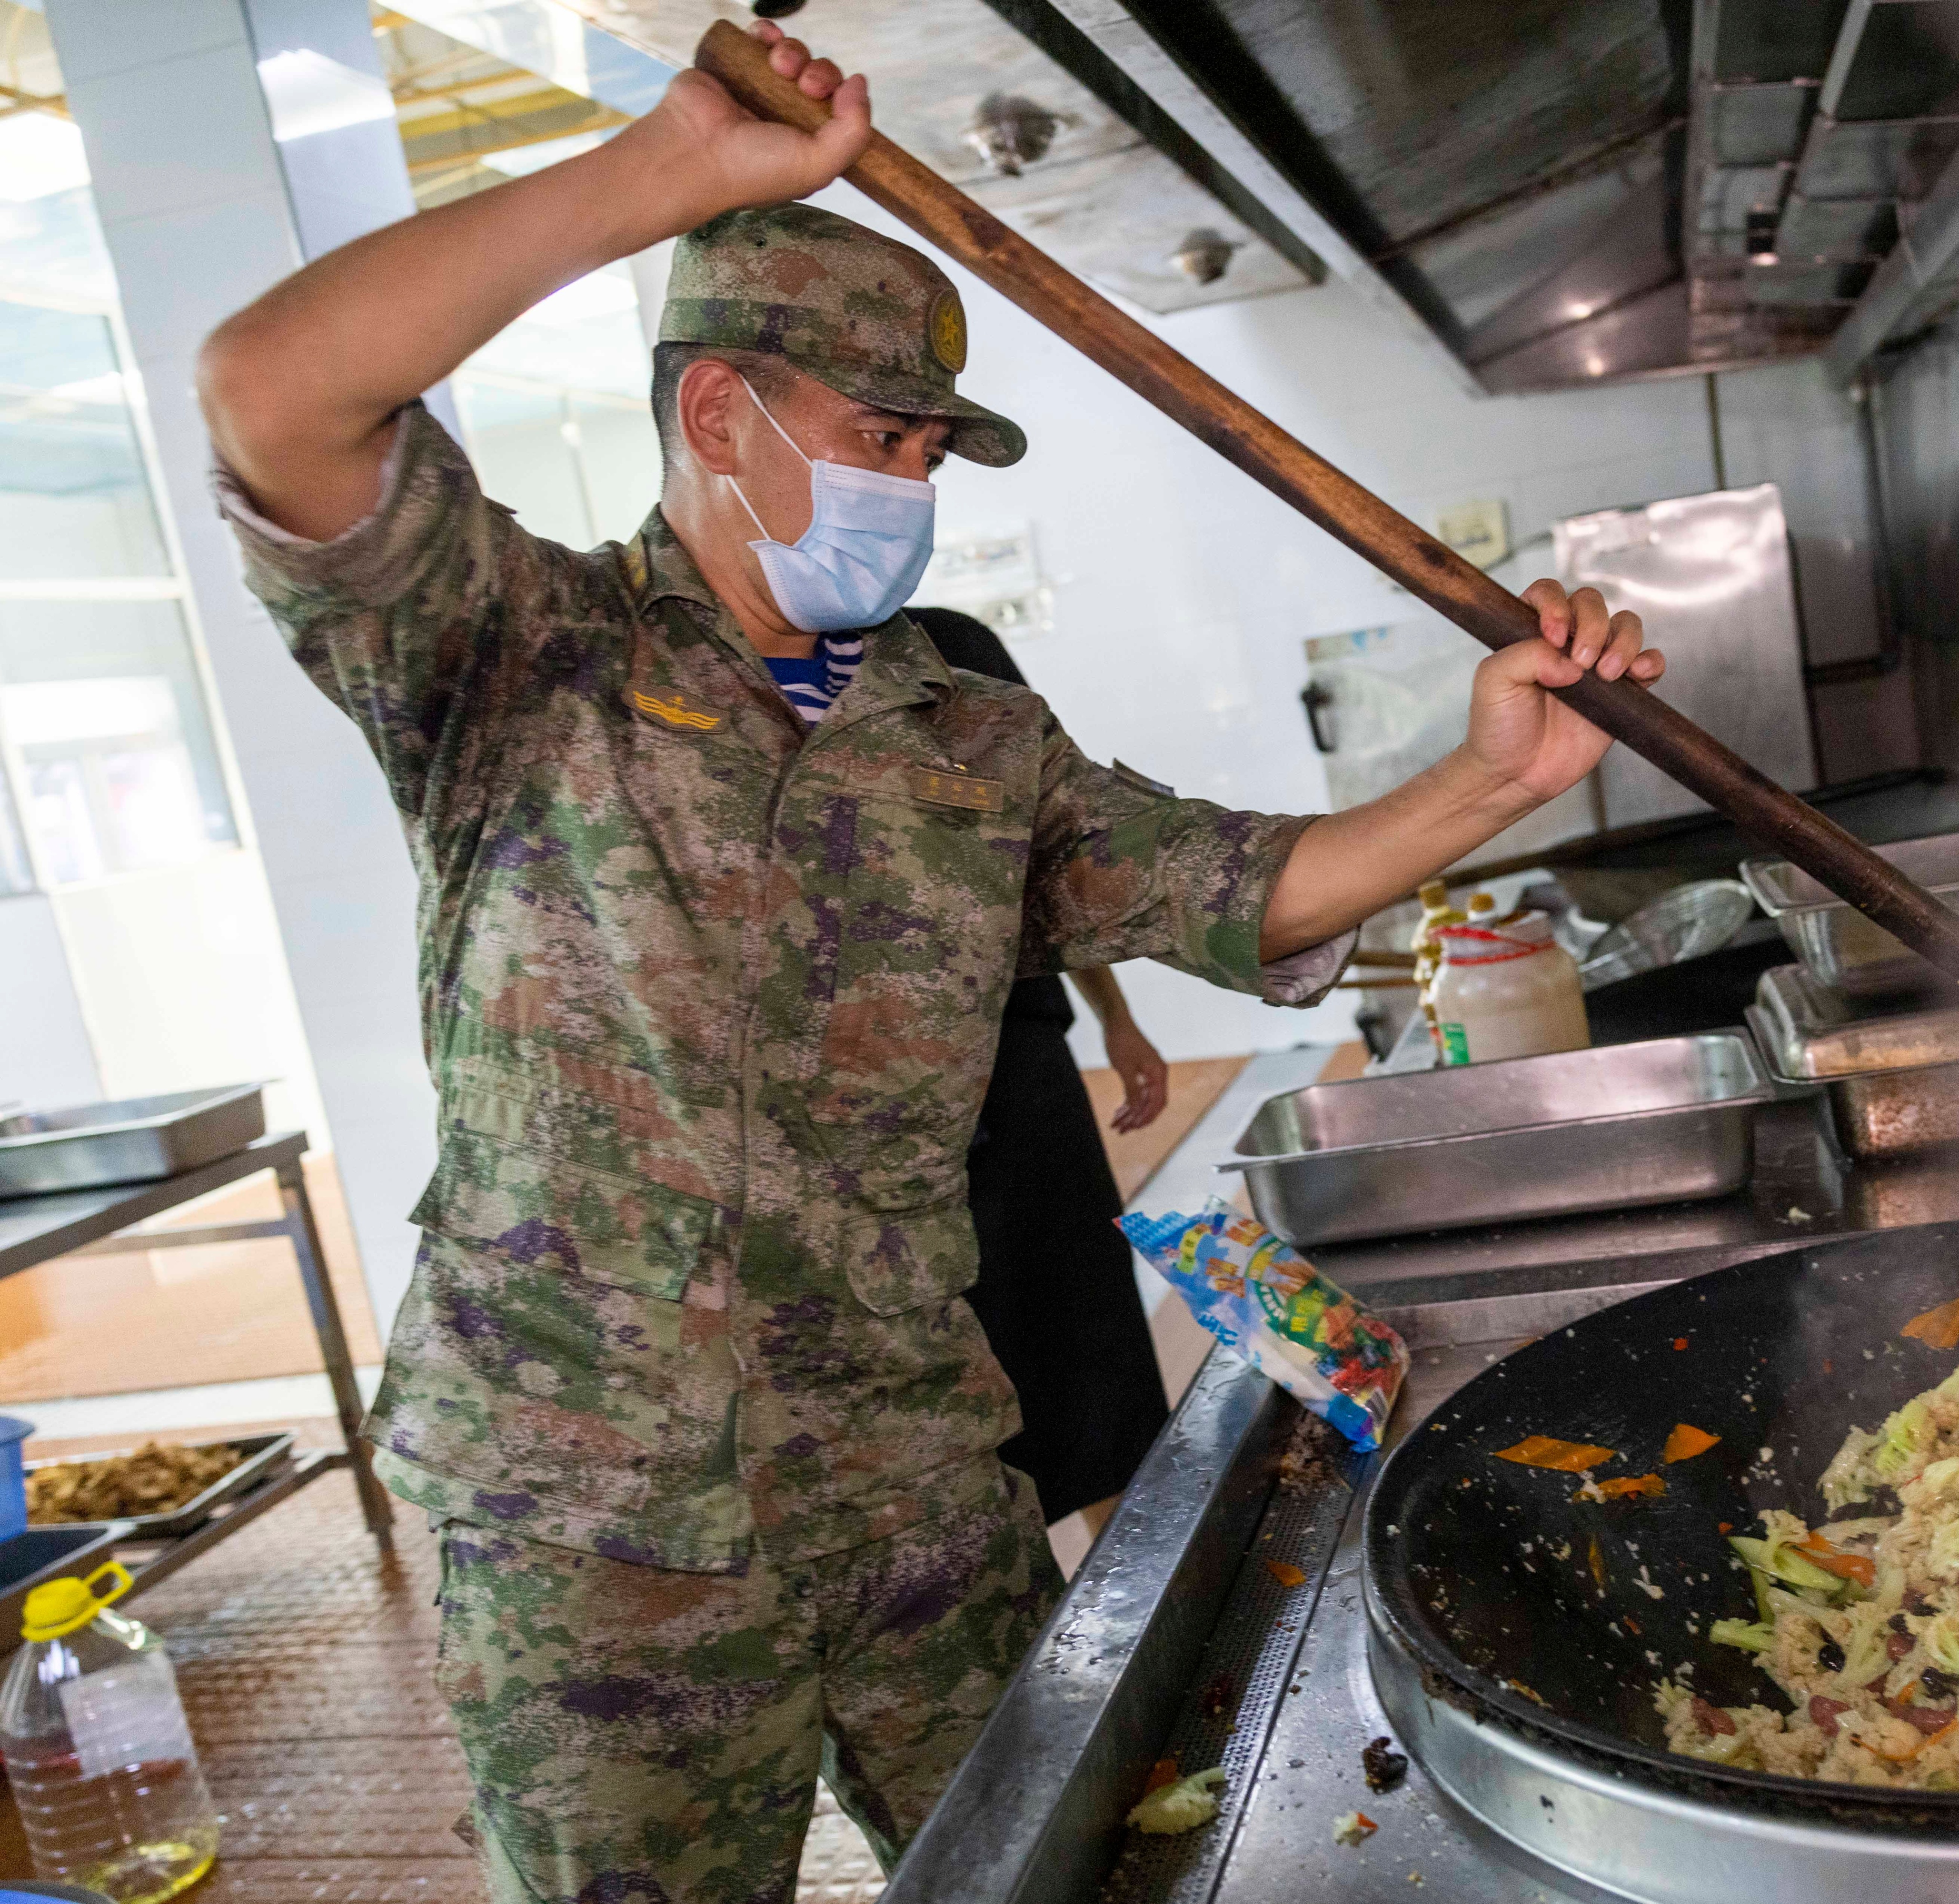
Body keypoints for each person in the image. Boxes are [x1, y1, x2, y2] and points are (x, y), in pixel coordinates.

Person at [193, 23, 1661, 1904]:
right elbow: (269, 393)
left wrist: (1487, 775)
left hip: (906, 1492)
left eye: (927, 453)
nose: (910, 489)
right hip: (597, 1543)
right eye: (877, 441)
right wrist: (661, 176)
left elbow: (1237, 884)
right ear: (717, 417)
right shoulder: (515, 664)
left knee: (1037, 1875)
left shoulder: (961, 739)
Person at [909, 605, 1173, 1541]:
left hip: (1022, 1072)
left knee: (1092, 1340)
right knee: (974, 1368)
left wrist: (1119, 1021)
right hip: (906, 1107)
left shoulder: (960, 652)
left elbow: (1046, 881)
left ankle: (1129, 1588)